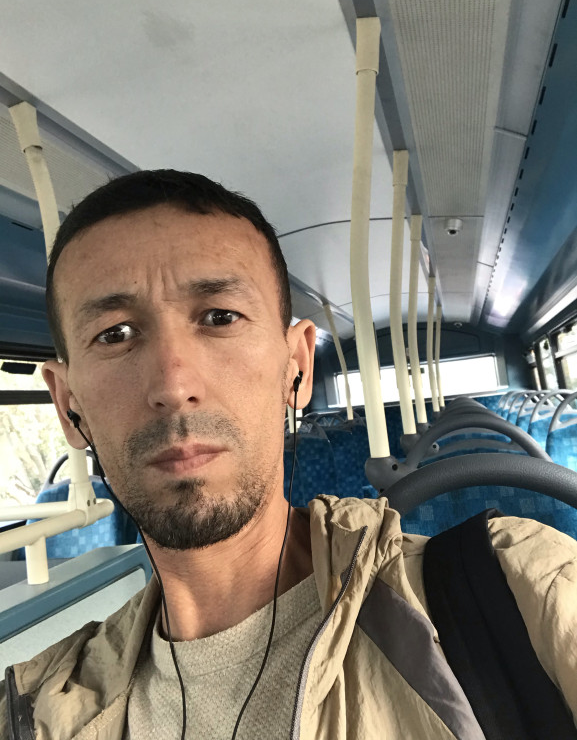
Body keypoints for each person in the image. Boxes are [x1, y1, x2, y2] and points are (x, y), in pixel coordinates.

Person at [1, 170, 576, 739]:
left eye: (220, 317)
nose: (173, 386)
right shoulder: (37, 710)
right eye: (115, 334)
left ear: (296, 367)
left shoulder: (521, 589)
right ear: (67, 405)